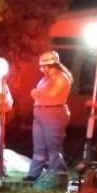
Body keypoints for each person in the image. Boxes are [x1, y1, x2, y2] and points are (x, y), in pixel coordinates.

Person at [25, 50, 73, 183]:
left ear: (50, 65)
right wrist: (38, 93)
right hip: (41, 113)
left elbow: (51, 94)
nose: (41, 69)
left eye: (42, 66)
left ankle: (57, 175)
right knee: (39, 147)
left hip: (54, 114)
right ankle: (33, 174)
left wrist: (36, 92)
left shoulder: (61, 78)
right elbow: (42, 93)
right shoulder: (45, 79)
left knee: (53, 147)